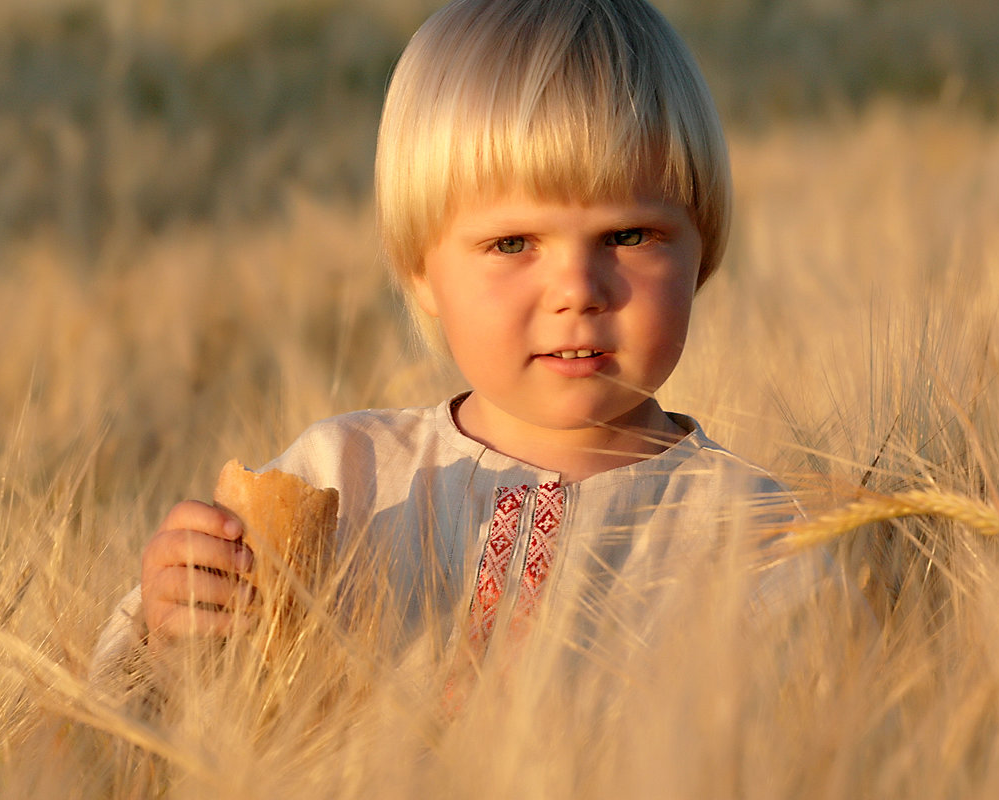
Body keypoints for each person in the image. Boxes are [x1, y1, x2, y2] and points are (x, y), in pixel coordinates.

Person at [91, 0, 825, 688]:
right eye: (512, 242)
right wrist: (169, 626)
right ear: (422, 273)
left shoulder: (760, 536)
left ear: (705, 249)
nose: (577, 289)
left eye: (628, 235)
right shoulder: (343, 480)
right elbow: (129, 732)